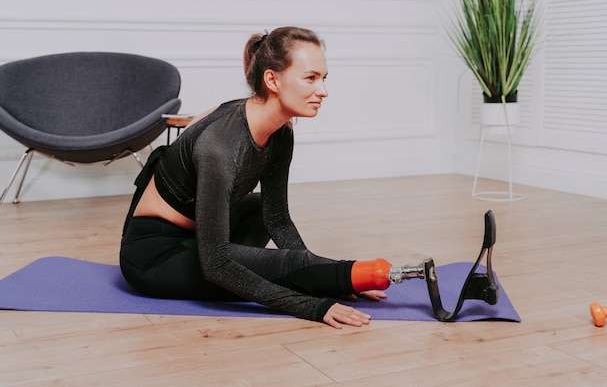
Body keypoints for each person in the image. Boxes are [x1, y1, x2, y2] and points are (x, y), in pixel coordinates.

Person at [120, 26, 417, 329]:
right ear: (272, 79)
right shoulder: (220, 147)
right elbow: (217, 265)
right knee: (280, 265)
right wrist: (312, 303)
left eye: (324, 78)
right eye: (311, 78)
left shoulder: (280, 132)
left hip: (199, 236)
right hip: (155, 256)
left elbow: (277, 218)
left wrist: (321, 278)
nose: (323, 90)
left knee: (262, 212)